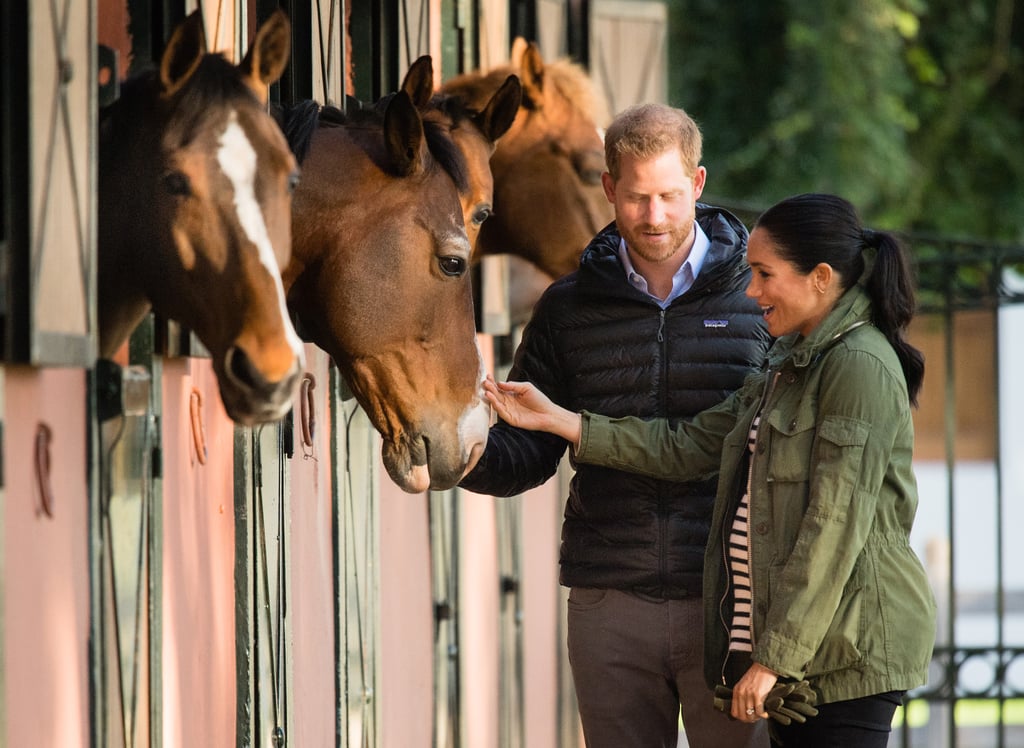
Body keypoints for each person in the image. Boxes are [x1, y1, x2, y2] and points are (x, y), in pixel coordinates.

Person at [482, 193, 938, 748]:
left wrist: (772, 660)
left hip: (849, 647)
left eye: (765, 274)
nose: (751, 291)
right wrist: (562, 421)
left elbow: (834, 527)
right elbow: (692, 443)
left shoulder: (857, 365)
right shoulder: (794, 362)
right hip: (812, 650)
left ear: (820, 277)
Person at [459, 103, 772, 747]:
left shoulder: (759, 300)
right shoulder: (568, 306)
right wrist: (460, 458)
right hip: (609, 598)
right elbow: (533, 444)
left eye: (668, 196)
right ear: (607, 189)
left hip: (731, 604)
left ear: (699, 184)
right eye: (634, 198)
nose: (653, 217)